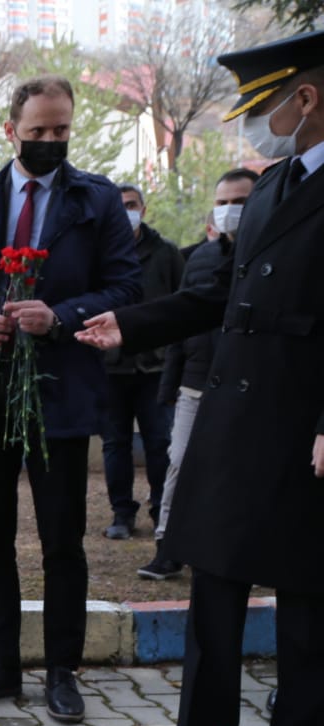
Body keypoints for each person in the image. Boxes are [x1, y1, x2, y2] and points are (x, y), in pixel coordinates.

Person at [75, 28, 324, 726]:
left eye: (265, 104)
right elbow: (219, 291)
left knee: (308, 604)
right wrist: (133, 323)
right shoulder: (275, 183)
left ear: (305, 99)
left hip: (302, 423)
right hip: (233, 419)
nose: (255, 122)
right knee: (211, 592)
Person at [0, 76, 142, 723]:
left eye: (61, 131)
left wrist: (62, 314)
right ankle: (0, 667)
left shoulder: (95, 200)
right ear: (10, 130)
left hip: (61, 393)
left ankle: (59, 672)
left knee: (61, 542)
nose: (50, 141)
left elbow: (126, 289)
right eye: (38, 131)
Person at [138, 168, 258, 581]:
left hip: (250, 385)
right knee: (179, 464)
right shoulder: (198, 258)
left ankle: (243, 550)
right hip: (195, 381)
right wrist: (169, 385)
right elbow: (181, 320)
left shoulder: (269, 257)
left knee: (244, 469)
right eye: (222, 203)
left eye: (239, 202)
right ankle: (167, 547)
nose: (229, 211)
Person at [99, 184, 183, 541]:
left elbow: (183, 307)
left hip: (155, 368)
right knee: (114, 444)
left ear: (143, 209)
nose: (126, 211)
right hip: (110, 368)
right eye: (119, 207)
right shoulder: (99, 255)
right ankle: (121, 513)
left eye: (131, 205)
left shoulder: (166, 253)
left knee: (158, 441)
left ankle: (161, 509)